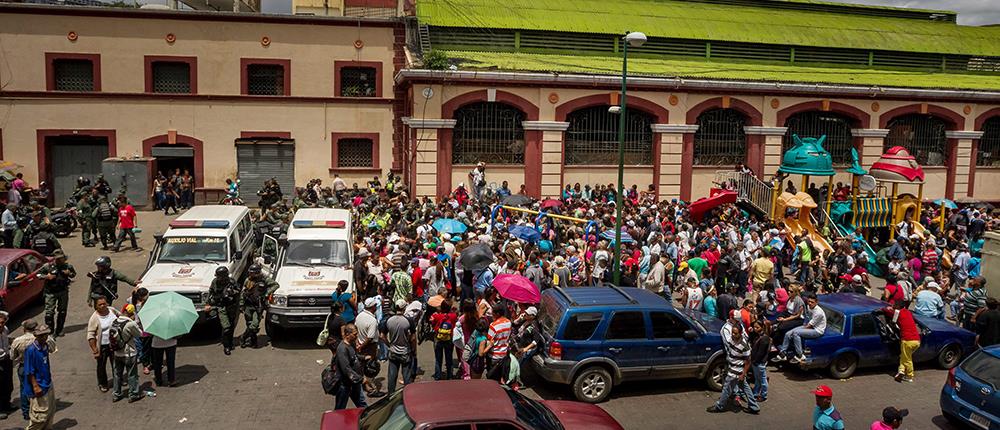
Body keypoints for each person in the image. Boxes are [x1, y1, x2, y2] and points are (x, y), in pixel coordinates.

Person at [707, 316, 758, 414]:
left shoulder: (744, 345)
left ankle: (720, 406)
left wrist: (743, 373)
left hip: (736, 371)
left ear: (740, 333)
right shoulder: (731, 340)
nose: (733, 335)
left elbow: (748, 360)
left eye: (735, 333)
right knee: (745, 388)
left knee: (726, 388)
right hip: (731, 367)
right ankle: (754, 406)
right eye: (732, 333)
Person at [776, 293, 826, 364]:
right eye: (809, 301)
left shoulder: (818, 313)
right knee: (788, 333)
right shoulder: (809, 307)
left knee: (796, 333)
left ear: (816, 302)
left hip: (817, 330)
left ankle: (800, 355)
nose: (810, 303)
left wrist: (798, 329)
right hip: (809, 326)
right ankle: (782, 353)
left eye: (812, 302)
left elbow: (809, 326)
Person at [239, 264, 279, 348]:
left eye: (252, 273)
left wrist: (267, 293)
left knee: (254, 325)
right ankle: (253, 342)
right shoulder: (247, 280)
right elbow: (243, 292)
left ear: (257, 273)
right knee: (249, 324)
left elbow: (275, 285)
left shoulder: (264, 279)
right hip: (248, 305)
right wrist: (241, 304)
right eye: (250, 272)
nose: (250, 274)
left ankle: (243, 337)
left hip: (258, 306)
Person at [23, 324, 53, 430]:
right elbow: (29, 371)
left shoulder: (45, 346)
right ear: (36, 336)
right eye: (41, 336)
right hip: (39, 385)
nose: (44, 337)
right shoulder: (31, 350)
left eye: (45, 335)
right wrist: (36, 386)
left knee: (50, 411)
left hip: (47, 383)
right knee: (39, 417)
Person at [85, 297, 119, 393]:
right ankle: (103, 383)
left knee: (116, 364)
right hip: (103, 346)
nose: (103, 306)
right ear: (96, 306)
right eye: (100, 304)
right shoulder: (94, 318)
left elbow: (120, 317)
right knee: (101, 366)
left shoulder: (112, 310)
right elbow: (90, 335)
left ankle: (118, 379)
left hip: (114, 343)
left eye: (104, 303)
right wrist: (95, 350)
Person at [38, 251, 75, 338]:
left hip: (63, 291)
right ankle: (50, 331)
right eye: (58, 258)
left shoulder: (67, 266)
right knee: (49, 313)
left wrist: (69, 273)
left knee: (62, 311)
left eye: (61, 258)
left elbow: (73, 274)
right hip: (51, 293)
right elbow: (38, 274)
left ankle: (59, 329)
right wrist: (47, 277)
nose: (60, 260)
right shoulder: (47, 266)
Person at [205, 266, 240, 355]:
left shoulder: (232, 281)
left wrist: (232, 292)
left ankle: (230, 342)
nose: (218, 278)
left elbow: (238, 291)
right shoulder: (215, 282)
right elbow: (211, 292)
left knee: (231, 325)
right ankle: (226, 346)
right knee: (226, 327)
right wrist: (207, 303)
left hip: (231, 306)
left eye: (219, 276)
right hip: (221, 306)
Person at [110, 308, 142, 402]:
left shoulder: (115, 321)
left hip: (117, 353)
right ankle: (133, 394)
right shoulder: (131, 324)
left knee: (117, 374)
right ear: (131, 314)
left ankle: (116, 394)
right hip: (129, 353)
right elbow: (139, 334)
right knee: (132, 374)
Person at [382, 299, 414, 394]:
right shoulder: (408, 321)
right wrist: (413, 350)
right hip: (405, 351)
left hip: (393, 352)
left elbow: (382, 336)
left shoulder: (389, 320)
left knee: (392, 377)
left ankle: (390, 396)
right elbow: (413, 338)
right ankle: (408, 396)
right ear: (404, 308)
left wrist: (389, 345)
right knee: (407, 377)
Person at [334, 324, 367, 410]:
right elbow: (346, 369)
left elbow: (354, 356)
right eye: (355, 334)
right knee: (340, 408)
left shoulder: (351, 345)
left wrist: (364, 358)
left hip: (354, 382)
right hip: (345, 384)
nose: (357, 336)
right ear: (347, 334)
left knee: (362, 404)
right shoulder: (342, 349)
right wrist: (361, 379)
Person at [430, 301, 457, 380]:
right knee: (449, 358)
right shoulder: (453, 316)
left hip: (438, 339)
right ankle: (449, 375)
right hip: (449, 338)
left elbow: (432, 324)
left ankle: (438, 376)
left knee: (438, 359)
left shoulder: (437, 316)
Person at [485, 304, 512, 383]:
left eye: (493, 313)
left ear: (497, 314)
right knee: (500, 377)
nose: (492, 314)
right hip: (504, 355)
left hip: (494, 356)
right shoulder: (509, 322)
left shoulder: (493, 326)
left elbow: (489, 341)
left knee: (492, 379)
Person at [750, 319, 770, 403]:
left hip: (759, 362)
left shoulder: (764, 338)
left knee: (763, 380)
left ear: (762, 327)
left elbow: (760, 353)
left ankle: (763, 395)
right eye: (754, 327)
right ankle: (755, 393)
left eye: (757, 327)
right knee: (757, 379)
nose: (755, 329)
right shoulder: (757, 335)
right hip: (756, 362)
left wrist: (754, 361)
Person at [0, 312, 11, 419]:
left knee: (8, 384)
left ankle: (7, 405)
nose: (1, 325)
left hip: (6, 360)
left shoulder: (5, 330)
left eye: (2, 322)